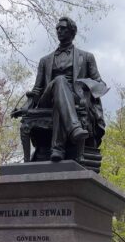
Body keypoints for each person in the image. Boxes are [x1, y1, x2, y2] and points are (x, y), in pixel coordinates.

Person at [12, 16, 107, 162]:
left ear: (72, 32)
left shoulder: (87, 57)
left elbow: (99, 84)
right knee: (60, 80)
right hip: (47, 99)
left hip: (73, 98)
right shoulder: (45, 60)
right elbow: (37, 89)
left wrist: (87, 87)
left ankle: (58, 149)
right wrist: (26, 106)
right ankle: (74, 128)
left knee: (61, 101)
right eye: (57, 28)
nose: (59, 31)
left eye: (63, 28)